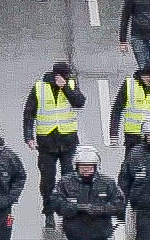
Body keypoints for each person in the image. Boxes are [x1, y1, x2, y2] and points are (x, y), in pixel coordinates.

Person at [24, 60, 86, 227]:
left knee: (69, 177)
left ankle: (67, 211)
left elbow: (80, 102)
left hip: (68, 141)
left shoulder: (70, 84)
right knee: (48, 180)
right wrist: (29, 137)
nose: (64, 78)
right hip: (47, 143)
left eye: (66, 76)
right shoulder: (40, 87)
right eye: (62, 76)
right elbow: (29, 113)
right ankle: (49, 211)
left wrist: (65, 88)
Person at [49, 146, 128, 240]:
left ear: (96, 167)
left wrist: (99, 209)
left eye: (89, 166)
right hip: (74, 233)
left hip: (100, 233)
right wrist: (76, 208)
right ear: (77, 166)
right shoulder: (65, 182)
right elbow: (55, 202)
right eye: (83, 167)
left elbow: (119, 205)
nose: (86, 169)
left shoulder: (107, 183)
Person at [109, 61, 150, 150]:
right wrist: (113, 135)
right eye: (148, 76)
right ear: (141, 74)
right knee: (131, 162)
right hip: (132, 135)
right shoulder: (129, 84)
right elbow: (117, 110)